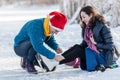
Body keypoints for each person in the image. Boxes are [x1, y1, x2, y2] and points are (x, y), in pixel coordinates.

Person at [58, 5, 118, 72]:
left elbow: (110, 46)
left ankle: (56, 62)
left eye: (84, 17)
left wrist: (96, 43)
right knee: (77, 47)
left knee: (78, 50)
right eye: (81, 18)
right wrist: (72, 52)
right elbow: (84, 44)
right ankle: (56, 59)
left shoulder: (102, 27)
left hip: (103, 57)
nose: (82, 20)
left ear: (91, 15)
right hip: (92, 54)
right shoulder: (86, 28)